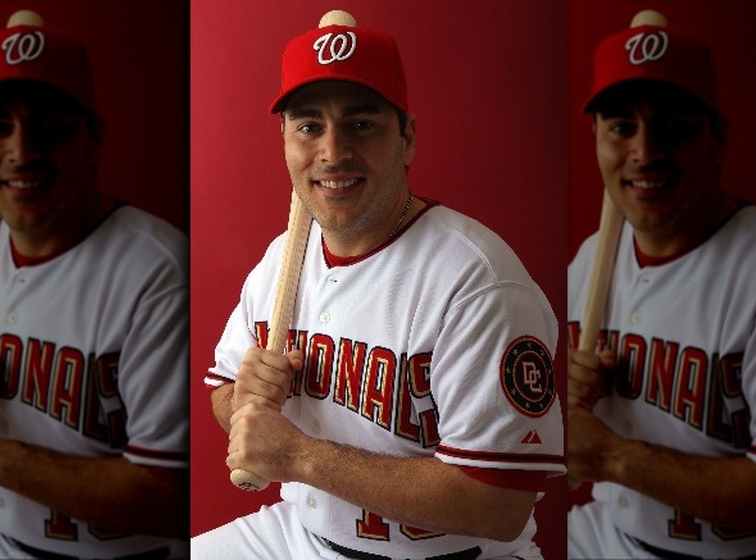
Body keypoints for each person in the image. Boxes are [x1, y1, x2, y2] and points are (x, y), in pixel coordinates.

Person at [191, 10, 564, 560]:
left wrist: (297, 457)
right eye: (309, 126)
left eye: (361, 124)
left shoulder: (476, 281)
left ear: (407, 137)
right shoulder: (280, 263)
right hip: (301, 538)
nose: (333, 152)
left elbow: (500, 506)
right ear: (286, 139)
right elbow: (224, 397)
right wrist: (244, 401)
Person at [566, 10, 756, 559]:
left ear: (718, 139)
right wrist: (559, 401)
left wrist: (609, 456)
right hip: (611, 538)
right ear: (595, 137)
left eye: (672, 127)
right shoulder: (592, 262)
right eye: (621, 126)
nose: (644, 151)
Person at [0, 10, 189, 559]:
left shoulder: (156, 269)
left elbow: (168, 495)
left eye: (49, 128)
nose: (21, 153)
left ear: (94, 138)